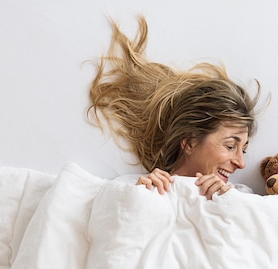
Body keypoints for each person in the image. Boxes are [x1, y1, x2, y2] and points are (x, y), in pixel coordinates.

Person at [88, 16, 263, 200]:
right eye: (230, 146)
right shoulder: (131, 187)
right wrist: (138, 200)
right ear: (189, 142)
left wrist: (232, 204)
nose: (241, 163)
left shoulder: (240, 196)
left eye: (243, 149)